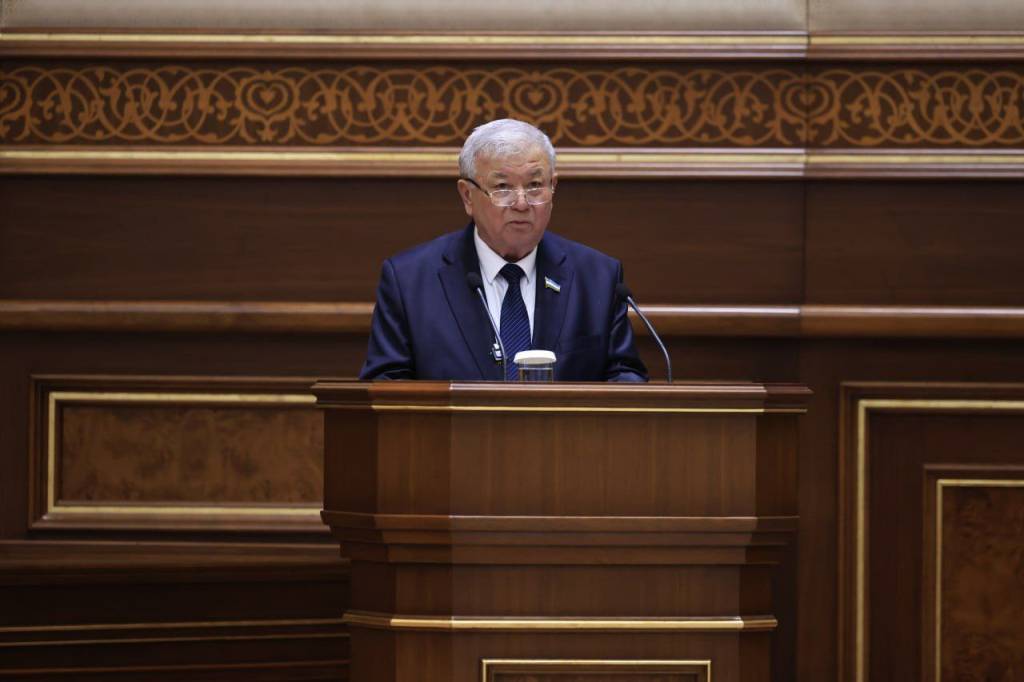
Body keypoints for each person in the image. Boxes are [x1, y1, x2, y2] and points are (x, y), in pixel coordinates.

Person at [359, 118, 647, 382]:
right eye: (502, 187)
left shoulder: (597, 278)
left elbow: (626, 378)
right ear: (467, 196)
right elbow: (385, 385)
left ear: (553, 188)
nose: (521, 203)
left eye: (535, 185)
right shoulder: (410, 281)